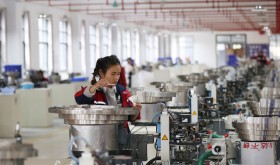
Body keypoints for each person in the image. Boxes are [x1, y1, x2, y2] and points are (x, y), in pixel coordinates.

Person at [74, 55, 141, 121]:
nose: (117, 78)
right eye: (113, 74)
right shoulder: (94, 92)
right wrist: (94, 87)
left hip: (121, 130)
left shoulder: (123, 91)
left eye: (118, 74)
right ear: (102, 73)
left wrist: (136, 111)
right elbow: (80, 99)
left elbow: (130, 118)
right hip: (101, 131)